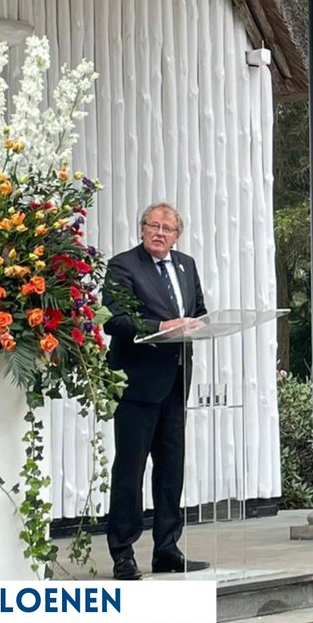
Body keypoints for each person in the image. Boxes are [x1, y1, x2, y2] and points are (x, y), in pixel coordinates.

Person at [104, 202, 209, 579]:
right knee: (130, 470)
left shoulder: (186, 265)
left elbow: (198, 311)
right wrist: (162, 324)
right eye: (153, 226)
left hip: (177, 380)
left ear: (177, 234)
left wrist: (195, 324)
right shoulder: (123, 265)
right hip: (137, 382)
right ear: (142, 229)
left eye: (167, 228)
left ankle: (166, 548)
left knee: (170, 469)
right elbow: (115, 320)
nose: (160, 233)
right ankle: (123, 552)